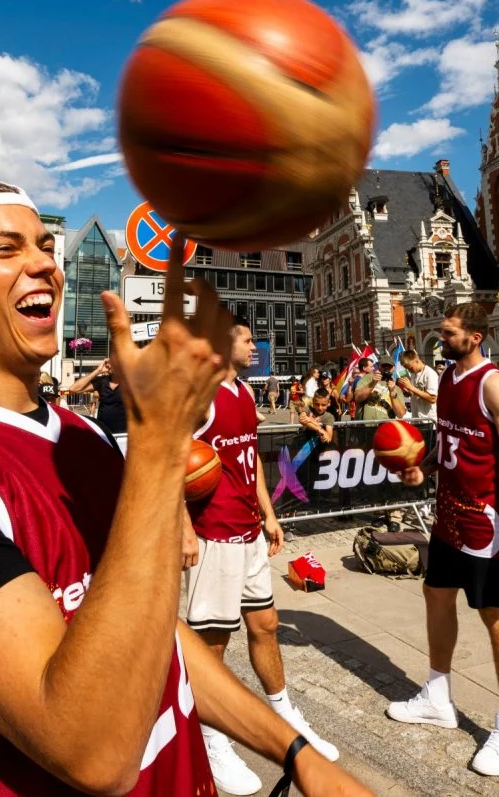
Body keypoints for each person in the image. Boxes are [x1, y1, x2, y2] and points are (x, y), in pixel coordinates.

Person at [0, 178, 362, 796]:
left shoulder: (81, 439)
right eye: (4, 249)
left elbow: (158, 641)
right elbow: (91, 753)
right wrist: (158, 445)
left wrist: (293, 750)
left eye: (42, 246)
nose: (42, 263)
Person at [183, 317, 339, 795]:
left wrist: (269, 513)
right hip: (213, 535)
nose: (255, 346)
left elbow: (247, 461)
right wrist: (183, 527)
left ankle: (282, 711)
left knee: (265, 624)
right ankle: (211, 737)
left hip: (249, 529)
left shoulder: (246, 394)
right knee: (212, 642)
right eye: (248, 339)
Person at [389, 303, 499, 777]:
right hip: (449, 516)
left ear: (474, 337)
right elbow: (452, 442)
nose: (440, 338)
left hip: (487, 524)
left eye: (449, 332)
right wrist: (425, 466)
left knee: (496, 616)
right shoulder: (450, 379)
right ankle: (437, 695)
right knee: (435, 594)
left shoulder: (493, 383)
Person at [69, 358, 127, 436]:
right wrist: (97, 371)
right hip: (103, 432)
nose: (109, 365)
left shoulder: (129, 383)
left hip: (124, 433)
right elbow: (73, 389)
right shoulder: (102, 381)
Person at [353, 357, 406, 421]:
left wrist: (392, 393)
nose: (386, 368)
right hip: (366, 426)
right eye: (384, 366)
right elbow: (357, 398)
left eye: (389, 366)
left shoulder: (397, 389)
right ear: (379, 367)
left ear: (393, 368)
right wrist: (372, 383)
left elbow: (400, 414)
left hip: (385, 427)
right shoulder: (368, 378)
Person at [398, 349, 439, 421]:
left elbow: (432, 398)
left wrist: (411, 387)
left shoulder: (430, 374)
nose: (409, 370)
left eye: (410, 368)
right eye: (407, 368)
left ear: (416, 361)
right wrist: (408, 392)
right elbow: (417, 393)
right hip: (416, 419)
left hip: (429, 420)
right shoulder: (414, 374)